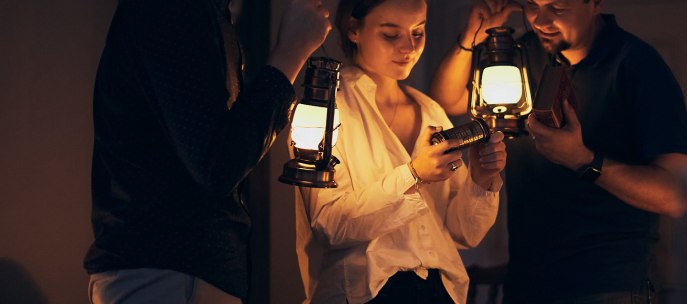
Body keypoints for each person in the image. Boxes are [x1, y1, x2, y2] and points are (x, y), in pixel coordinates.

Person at [430, 0, 687, 303]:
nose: (541, 20)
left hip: (610, 283)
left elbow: (676, 196)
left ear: (594, 4)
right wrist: (471, 37)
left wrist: (582, 160)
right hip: (527, 281)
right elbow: (446, 100)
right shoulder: (524, 52)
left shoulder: (639, 66)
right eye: (531, 5)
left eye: (556, 7)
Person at [85, 0, 331, 302]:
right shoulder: (173, 9)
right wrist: (290, 53)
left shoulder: (205, 14)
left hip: (175, 273)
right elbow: (218, 163)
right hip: (171, 272)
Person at [293, 0, 507, 303]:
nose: (408, 47)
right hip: (365, 291)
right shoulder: (326, 111)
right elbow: (330, 224)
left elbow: (463, 233)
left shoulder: (430, 111)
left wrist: (482, 180)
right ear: (354, 30)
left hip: (440, 288)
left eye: (418, 33)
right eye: (391, 35)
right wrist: (413, 175)